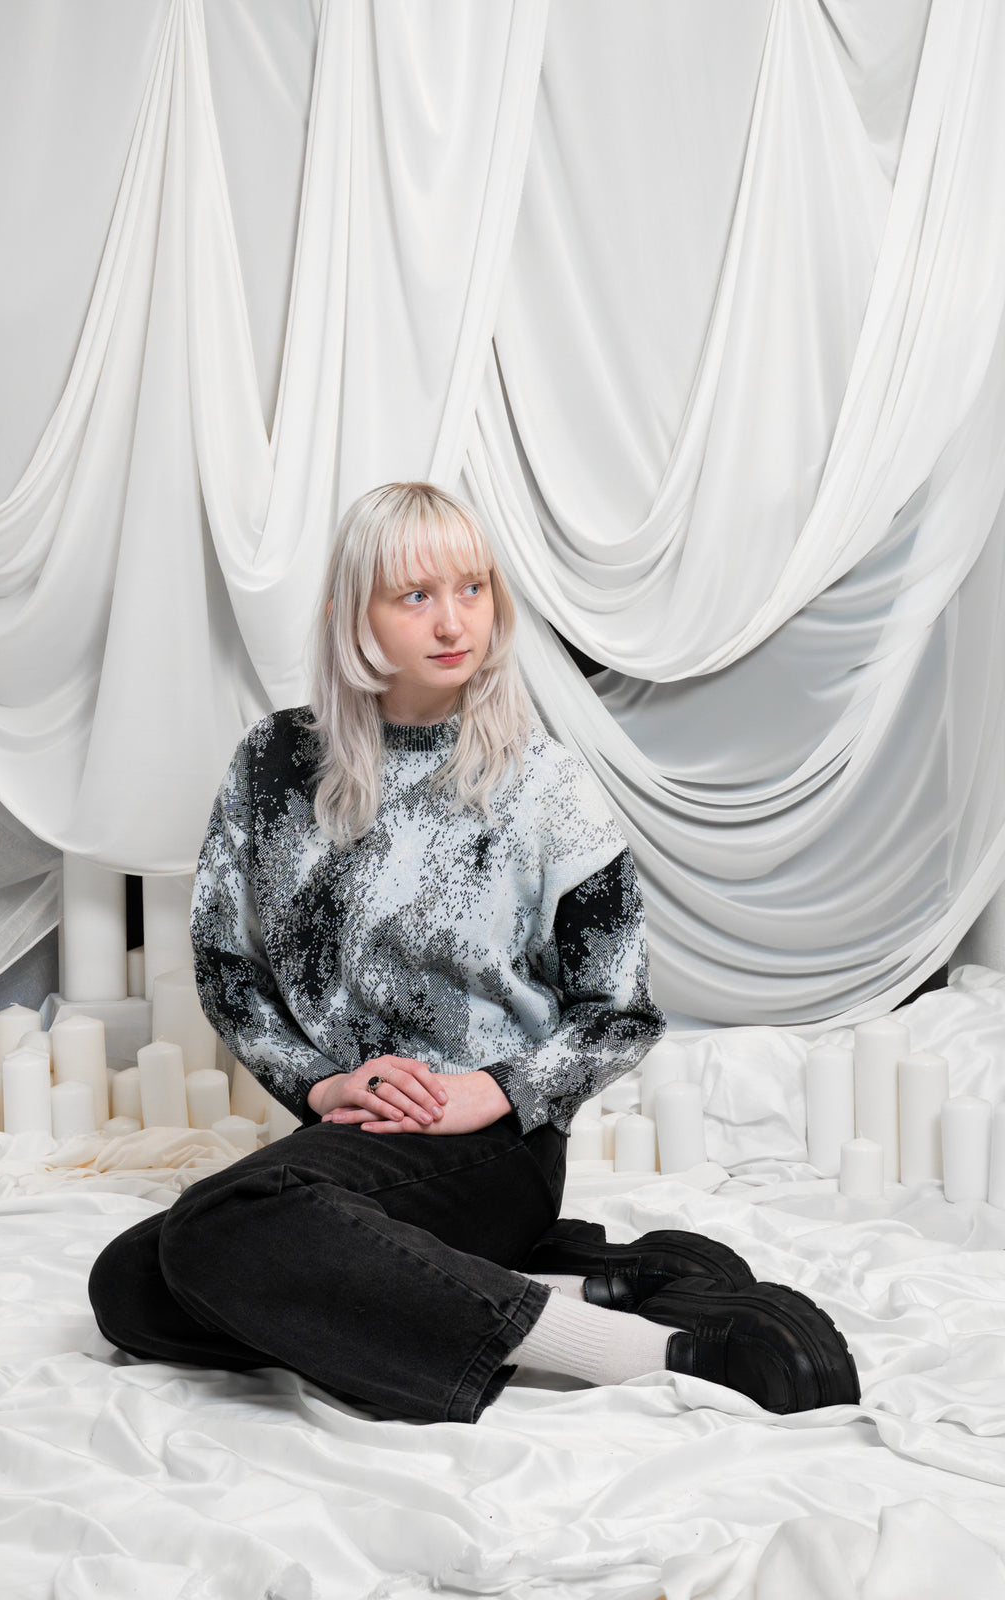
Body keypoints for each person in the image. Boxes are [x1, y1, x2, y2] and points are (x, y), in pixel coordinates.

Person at [88, 482, 859, 1424]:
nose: (454, 622)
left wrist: (487, 1092)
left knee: (220, 1230)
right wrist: (322, 1084)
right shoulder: (275, 765)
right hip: (347, 1138)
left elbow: (620, 1010)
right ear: (349, 615)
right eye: (414, 596)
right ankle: (582, 1293)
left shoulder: (545, 784)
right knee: (130, 1285)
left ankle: (666, 1350)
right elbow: (226, 967)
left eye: (474, 589)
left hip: (495, 1145)